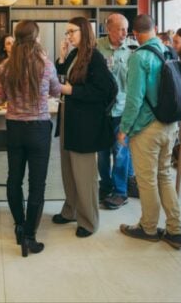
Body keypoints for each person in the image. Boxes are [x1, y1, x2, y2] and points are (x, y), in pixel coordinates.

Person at [0, 20, 61, 256]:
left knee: (14, 180)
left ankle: (19, 226)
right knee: (37, 184)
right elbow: (56, 90)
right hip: (39, 128)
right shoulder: (45, 64)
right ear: (35, 38)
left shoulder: (4, 66)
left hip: (14, 128)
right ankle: (30, 237)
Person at [118, 14, 181, 250]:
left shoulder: (140, 57)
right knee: (164, 175)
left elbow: (134, 100)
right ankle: (175, 231)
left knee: (147, 181)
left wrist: (124, 129)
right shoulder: (169, 51)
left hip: (148, 128)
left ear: (134, 34)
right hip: (171, 125)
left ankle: (148, 228)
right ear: (155, 29)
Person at [53, 17, 117, 238]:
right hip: (69, 120)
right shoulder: (74, 54)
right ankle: (70, 211)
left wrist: (71, 91)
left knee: (84, 175)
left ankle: (88, 221)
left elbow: (104, 91)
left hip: (85, 125)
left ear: (84, 32)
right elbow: (62, 74)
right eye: (67, 32)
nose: (68, 36)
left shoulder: (94, 57)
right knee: (68, 171)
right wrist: (61, 57)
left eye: (72, 32)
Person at [96, 13, 137, 210]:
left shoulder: (132, 49)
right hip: (102, 111)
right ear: (108, 29)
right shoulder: (96, 47)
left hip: (123, 109)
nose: (124, 33)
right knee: (103, 154)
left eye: (126, 29)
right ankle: (105, 186)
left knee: (121, 153)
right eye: (120, 29)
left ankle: (121, 192)